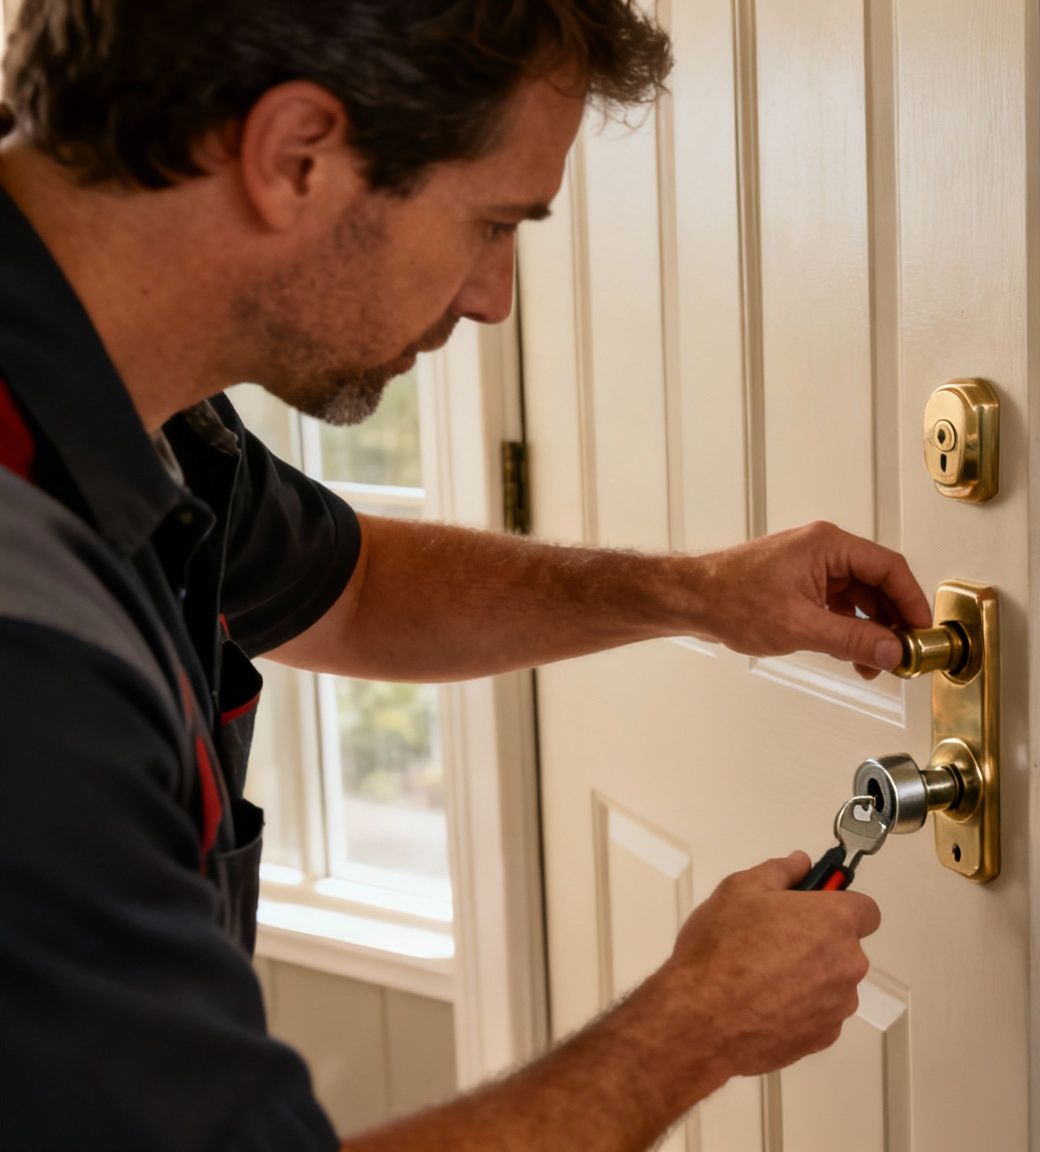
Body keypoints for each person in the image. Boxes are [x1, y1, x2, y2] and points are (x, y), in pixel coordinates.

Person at [0, 3, 931, 1149]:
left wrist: (699, 593)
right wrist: (697, 1026)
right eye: (491, 223)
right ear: (294, 156)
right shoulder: (27, 644)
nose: (492, 295)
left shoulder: (126, 402)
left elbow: (354, 588)